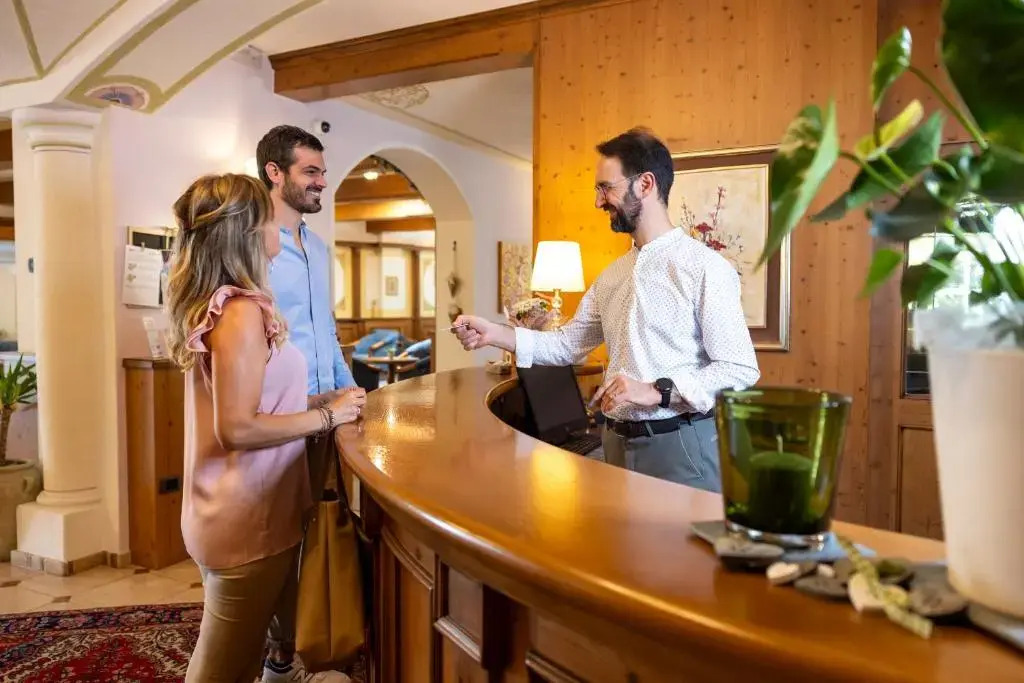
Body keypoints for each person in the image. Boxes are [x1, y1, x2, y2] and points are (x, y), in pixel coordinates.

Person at [452, 128, 760, 492]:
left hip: (679, 449)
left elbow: (739, 369)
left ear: (645, 184)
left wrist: (657, 391)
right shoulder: (612, 276)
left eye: (605, 187)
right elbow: (566, 345)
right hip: (614, 443)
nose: (598, 201)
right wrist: (494, 333)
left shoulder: (705, 267)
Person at [165, 173, 365, 683]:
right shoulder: (238, 312)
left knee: (275, 637)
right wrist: (328, 417)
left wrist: (320, 399)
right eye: (270, 218)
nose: (280, 225)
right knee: (223, 668)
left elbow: (261, 400)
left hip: (260, 505)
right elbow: (237, 427)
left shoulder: (237, 304)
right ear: (249, 232)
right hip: (243, 514)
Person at [258, 124, 355, 398]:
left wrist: (349, 388)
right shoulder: (251, 246)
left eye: (322, 173)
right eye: (311, 172)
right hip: (278, 407)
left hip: (330, 404)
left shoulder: (318, 247)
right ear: (275, 172)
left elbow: (326, 330)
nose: (322, 183)